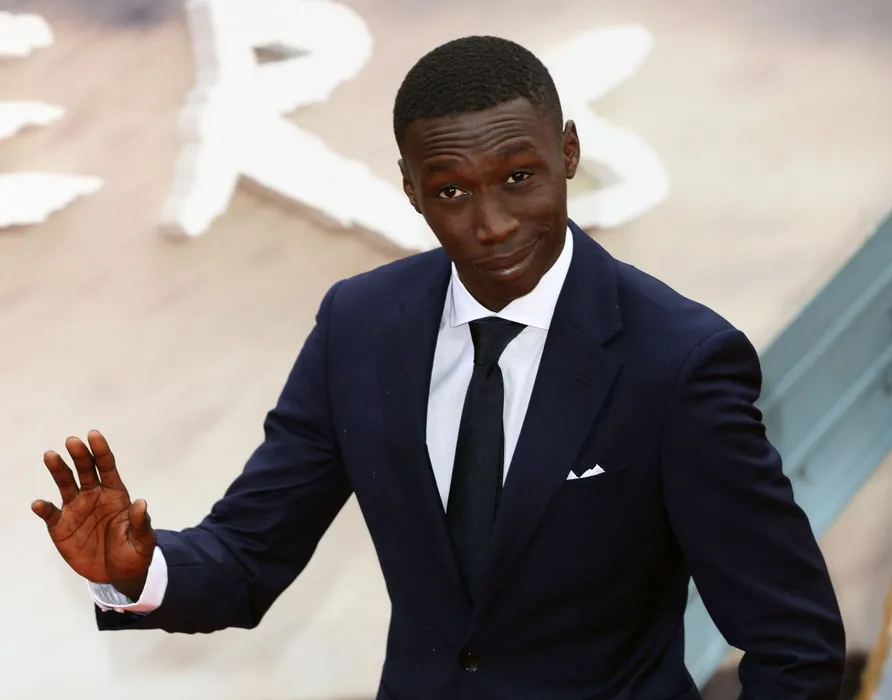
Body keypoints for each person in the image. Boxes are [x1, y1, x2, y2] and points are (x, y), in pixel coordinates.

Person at [32, 35, 845, 700]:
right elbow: (249, 553)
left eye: (519, 178)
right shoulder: (359, 326)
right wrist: (138, 572)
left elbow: (794, 640)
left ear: (568, 152)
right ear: (412, 190)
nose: (492, 224)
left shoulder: (679, 359)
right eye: (452, 191)